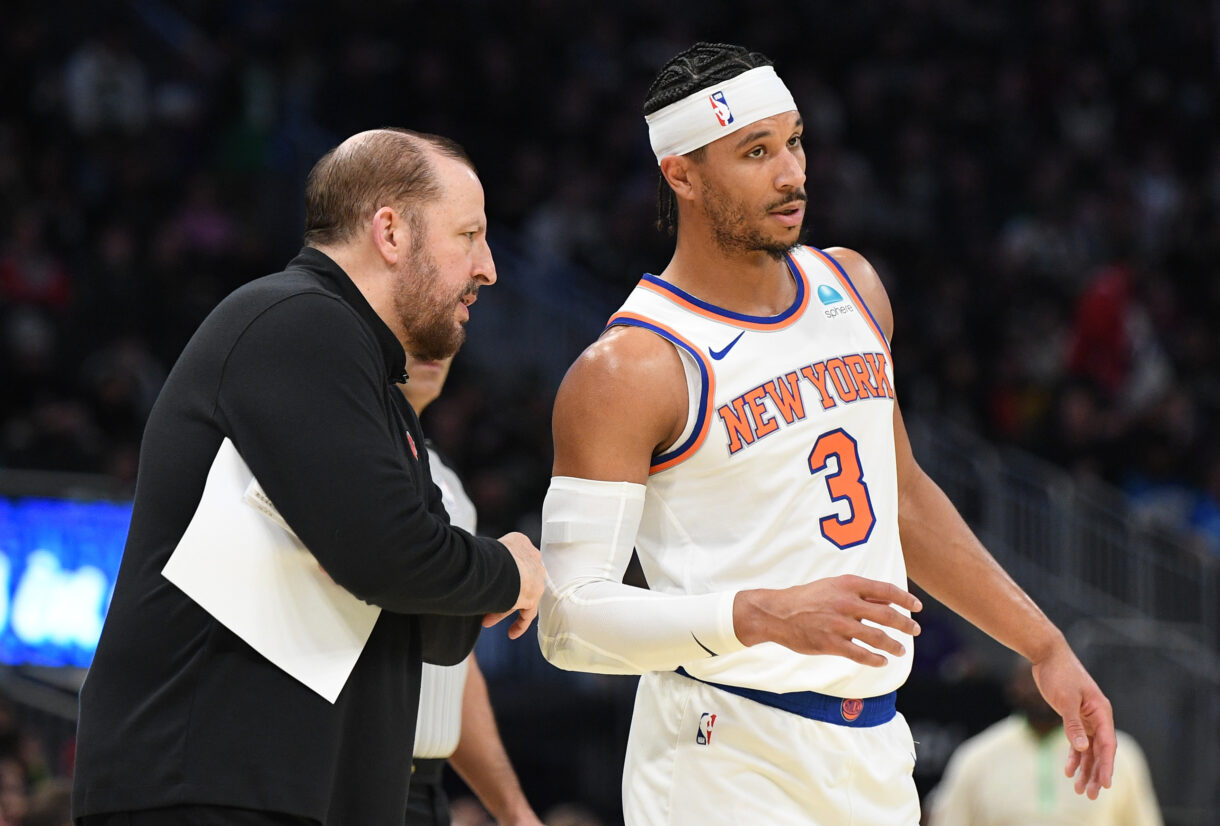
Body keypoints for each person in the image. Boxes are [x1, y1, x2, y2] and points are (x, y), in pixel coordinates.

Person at [538, 42, 1115, 825]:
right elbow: (569, 621)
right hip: (722, 751)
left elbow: (904, 500)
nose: (792, 174)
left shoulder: (853, 286)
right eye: (755, 152)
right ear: (681, 175)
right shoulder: (631, 367)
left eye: (795, 141)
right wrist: (757, 615)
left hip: (874, 746)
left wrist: (1043, 645)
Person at [72, 128, 545, 826]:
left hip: (289, 791)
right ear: (389, 231)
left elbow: (435, 628)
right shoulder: (296, 321)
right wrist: (506, 570)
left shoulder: (378, 390)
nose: (489, 268)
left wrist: (460, 584)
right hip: (203, 785)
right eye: (469, 235)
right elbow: (389, 554)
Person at [400, 353, 543, 826]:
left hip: (425, 786)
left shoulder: (446, 478)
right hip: (347, 773)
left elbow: (456, 668)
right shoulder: (345, 456)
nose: (431, 351)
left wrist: (514, 811)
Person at [929, 660, 1162, 825]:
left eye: (1053, 679)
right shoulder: (976, 756)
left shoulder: (1119, 754)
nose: (1043, 690)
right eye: (1031, 679)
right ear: (1012, 688)